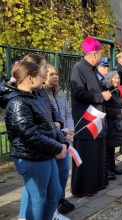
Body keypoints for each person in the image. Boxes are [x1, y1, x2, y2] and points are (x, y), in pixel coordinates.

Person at [1, 61, 68, 220]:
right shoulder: (17, 102)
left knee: (55, 192)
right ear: (30, 78)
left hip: (46, 153)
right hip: (31, 156)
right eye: (40, 75)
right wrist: (57, 147)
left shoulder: (36, 96)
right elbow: (30, 135)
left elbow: (50, 123)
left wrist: (62, 142)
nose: (43, 77)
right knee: (38, 198)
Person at [70, 36, 111, 196]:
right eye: (100, 54)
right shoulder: (78, 68)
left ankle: (97, 183)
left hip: (96, 118)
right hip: (85, 120)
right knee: (87, 155)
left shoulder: (91, 69)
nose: (101, 57)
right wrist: (101, 96)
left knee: (96, 154)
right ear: (94, 54)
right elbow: (79, 93)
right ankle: (84, 188)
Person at [44, 64, 76, 215]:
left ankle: (61, 198)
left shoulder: (61, 93)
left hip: (64, 138)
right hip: (51, 138)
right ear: (43, 76)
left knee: (64, 170)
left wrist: (69, 129)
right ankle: (53, 201)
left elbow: (68, 114)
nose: (55, 76)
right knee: (53, 173)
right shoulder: (41, 94)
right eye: (51, 74)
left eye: (56, 73)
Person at [103, 71, 122, 179]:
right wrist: (118, 111)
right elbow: (106, 109)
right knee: (108, 147)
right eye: (114, 78)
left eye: (118, 78)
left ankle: (112, 166)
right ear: (109, 79)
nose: (117, 80)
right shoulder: (108, 91)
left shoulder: (116, 91)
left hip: (115, 123)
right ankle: (106, 170)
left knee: (112, 147)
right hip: (109, 123)